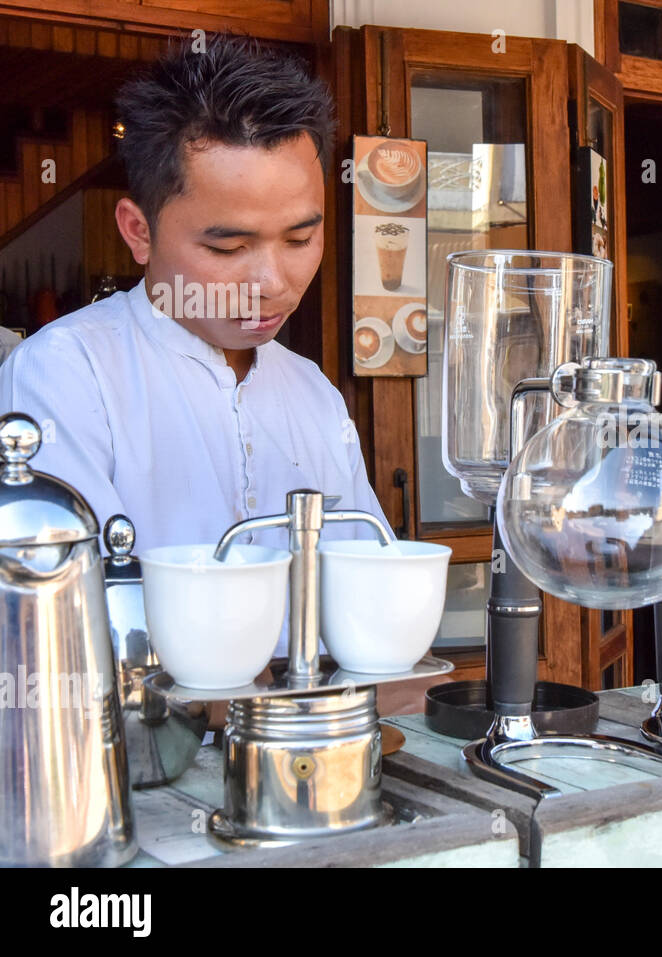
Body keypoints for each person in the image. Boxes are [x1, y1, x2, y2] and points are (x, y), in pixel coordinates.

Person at [0, 35, 391, 656]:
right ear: (138, 231)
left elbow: (370, 596)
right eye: (228, 247)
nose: (272, 283)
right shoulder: (65, 374)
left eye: (299, 240)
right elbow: (78, 625)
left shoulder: (313, 393)